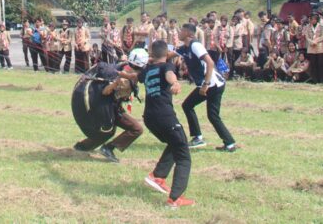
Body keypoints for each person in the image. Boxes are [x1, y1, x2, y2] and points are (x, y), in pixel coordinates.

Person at [140, 40, 194, 208]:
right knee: (184, 155)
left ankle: (157, 175)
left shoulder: (147, 69)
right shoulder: (167, 67)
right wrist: (175, 83)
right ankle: (175, 199)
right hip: (164, 117)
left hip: (149, 118)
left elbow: (137, 75)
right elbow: (169, 75)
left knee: (176, 142)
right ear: (166, 53)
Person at [73, 49, 147, 163]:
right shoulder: (124, 76)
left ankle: (82, 147)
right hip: (104, 105)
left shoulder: (124, 67)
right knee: (134, 129)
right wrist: (116, 83)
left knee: (126, 129)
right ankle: (106, 148)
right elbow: (105, 91)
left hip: (111, 105)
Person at [177, 24, 236, 152]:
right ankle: (228, 143)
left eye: (181, 30)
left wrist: (205, 84)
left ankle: (200, 139)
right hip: (211, 85)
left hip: (212, 85)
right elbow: (168, 55)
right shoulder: (184, 48)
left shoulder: (195, 45)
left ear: (189, 33)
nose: (179, 32)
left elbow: (210, 62)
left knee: (202, 111)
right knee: (199, 110)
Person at [304, 13, 323, 84]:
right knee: (313, 64)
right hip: (311, 47)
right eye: (311, 19)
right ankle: (314, 79)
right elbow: (306, 36)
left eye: (314, 19)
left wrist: (316, 41)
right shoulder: (307, 27)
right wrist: (311, 42)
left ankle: (322, 79)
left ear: (317, 20)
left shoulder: (321, 26)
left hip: (319, 47)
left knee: (321, 64)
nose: (313, 20)